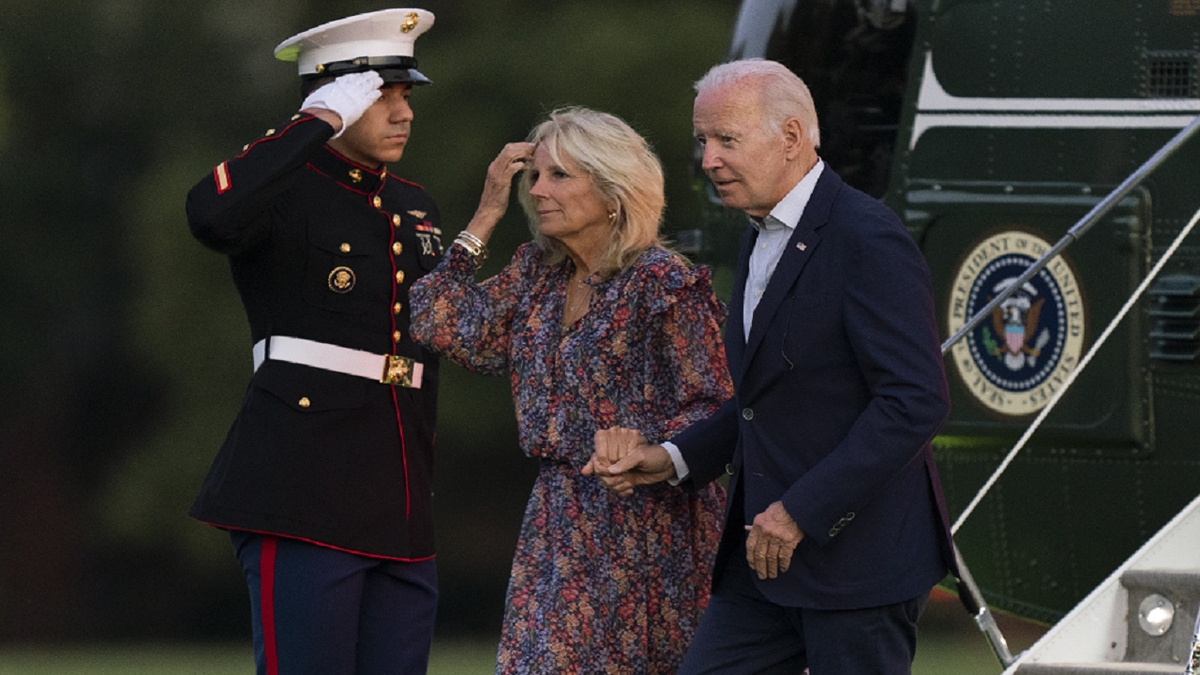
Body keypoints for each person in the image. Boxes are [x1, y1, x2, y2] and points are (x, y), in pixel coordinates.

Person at [591, 59, 958, 674]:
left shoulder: (867, 237)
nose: (708, 160)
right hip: (761, 571)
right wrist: (674, 458)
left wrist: (799, 513)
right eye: (703, 142)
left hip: (857, 568)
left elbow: (915, 401)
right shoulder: (758, 231)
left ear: (790, 138)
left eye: (726, 140)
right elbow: (770, 396)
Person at [409, 107, 733, 674]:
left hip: (647, 522)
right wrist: (485, 214)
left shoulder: (664, 281)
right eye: (535, 176)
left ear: (612, 191)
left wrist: (650, 450)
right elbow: (437, 320)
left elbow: (713, 403)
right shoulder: (539, 269)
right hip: (557, 516)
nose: (537, 191)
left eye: (559, 175)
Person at [184, 9, 444, 674]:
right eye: (380, 95)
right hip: (303, 486)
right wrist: (315, 123)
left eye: (405, 94)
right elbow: (210, 213)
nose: (402, 112)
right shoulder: (279, 191)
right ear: (335, 96)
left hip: (399, 495)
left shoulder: (413, 204)